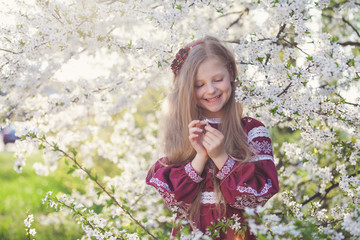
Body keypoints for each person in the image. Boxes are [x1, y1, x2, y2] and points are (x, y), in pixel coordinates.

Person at [146, 36, 279, 239]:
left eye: (218, 79)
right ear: (186, 88)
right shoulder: (182, 132)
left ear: (232, 73)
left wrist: (220, 157)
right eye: (199, 84)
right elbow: (175, 201)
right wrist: (199, 156)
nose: (211, 90)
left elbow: (257, 198)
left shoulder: (252, 130)